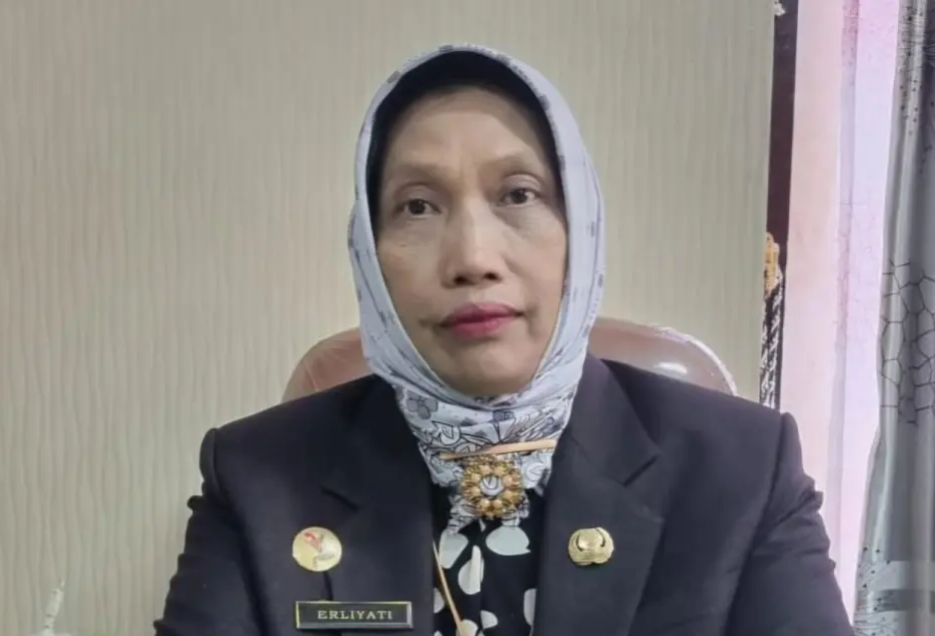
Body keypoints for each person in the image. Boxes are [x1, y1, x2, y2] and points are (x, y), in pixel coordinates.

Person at [154, 44, 854, 636]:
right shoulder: (256, 477)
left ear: (579, 232)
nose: (472, 257)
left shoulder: (744, 470)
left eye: (518, 194)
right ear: (369, 254)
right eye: (417, 206)